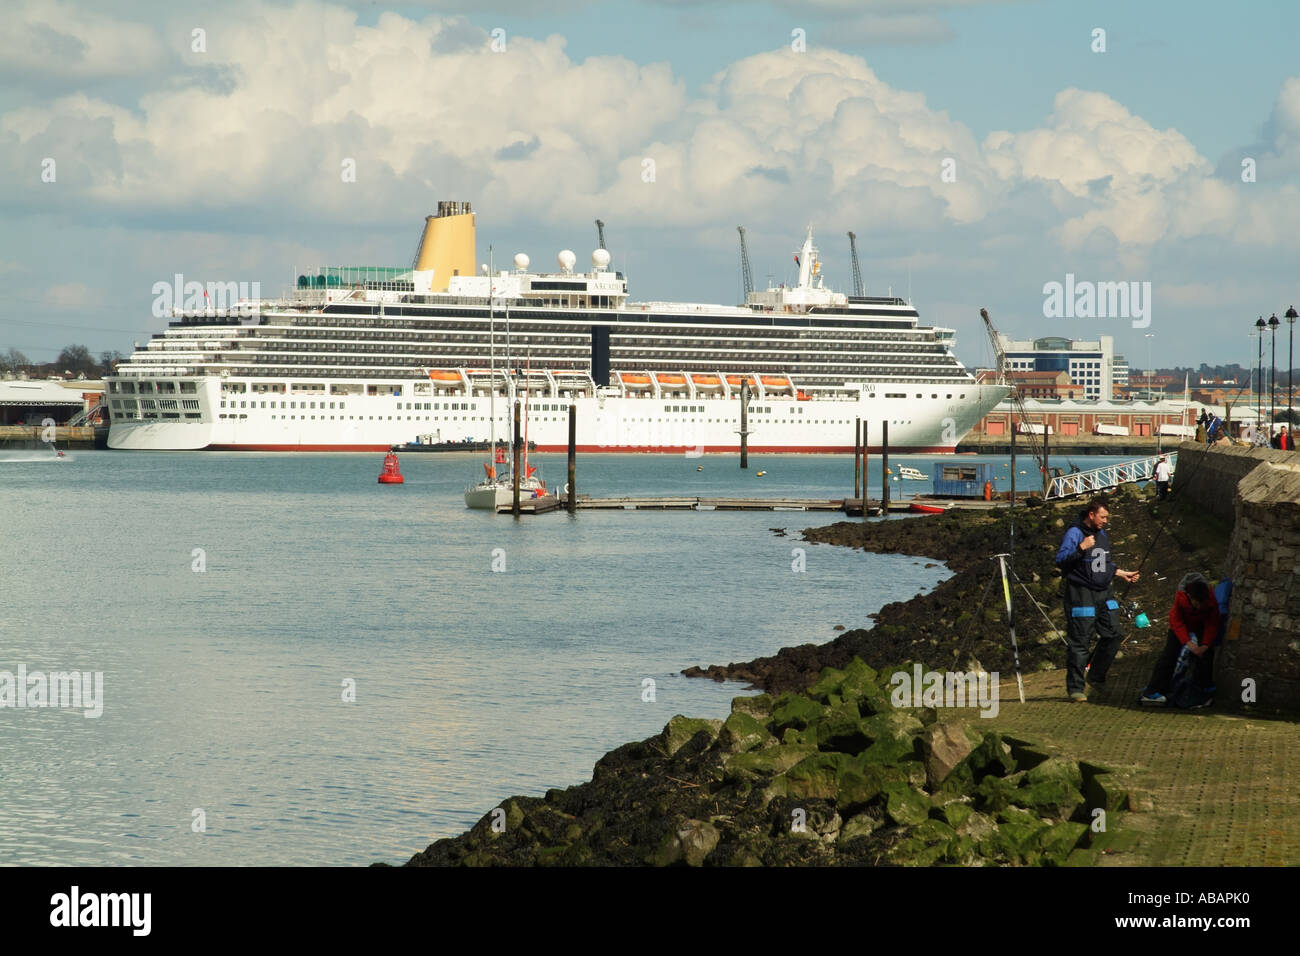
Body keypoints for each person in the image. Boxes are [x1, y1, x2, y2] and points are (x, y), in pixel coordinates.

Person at [1055, 498, 1141, 702]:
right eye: (1102, 517)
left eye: (1107, 517)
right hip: (1081, 593)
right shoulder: (1074, 533)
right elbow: (1061, 560)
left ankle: (1096, 676)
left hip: (1105, 592)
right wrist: (1081, 548)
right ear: (1091, 515)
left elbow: (1103, 563)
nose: (1105, 521)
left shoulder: (1101, 533)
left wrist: (1122, 574)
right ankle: (1076, 688)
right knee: (1080, 640)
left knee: (1115, 633)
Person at [1139, 575, 1220, 706]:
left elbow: (1212, 623)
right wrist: (1188, 643)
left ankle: (1203, 688)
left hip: (1201, 625)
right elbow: (1176, 622)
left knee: (1207, 655)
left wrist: (1204, 645)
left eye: (1201, 604)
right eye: (1196, 603)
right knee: (1169, 655)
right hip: (1182, 625)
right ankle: (1155, 690)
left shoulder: (1210, 601)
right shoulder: (1181, 599)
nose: (1198, 606)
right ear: (1190, 597)